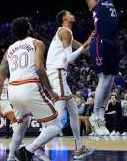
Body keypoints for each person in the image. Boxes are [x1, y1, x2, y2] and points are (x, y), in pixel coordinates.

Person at [0, 17, 61, 161]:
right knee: (55, 126)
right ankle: (28, 150)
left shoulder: (9, 49)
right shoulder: (37, 43)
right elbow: (39, 68)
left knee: (21, 126)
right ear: (29, 29)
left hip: (13, 90)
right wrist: (50, 91)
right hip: (29, 86)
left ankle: (11, 157)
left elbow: (0, 78)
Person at [45, 10, 94, 159]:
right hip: (57, 74)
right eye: (69, 13)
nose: (73, 14)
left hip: (58, 75)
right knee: (58, 117)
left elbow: (84, 51)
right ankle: (37, 146)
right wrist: (87, 41)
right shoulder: (65, 31)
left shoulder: (66, 33)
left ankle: (79, 148)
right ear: (64, 18)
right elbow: (70, 57)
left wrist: (94, 49)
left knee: (73, 112)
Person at [85, 0, 120, 136]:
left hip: (113, 42)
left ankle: (100, 116)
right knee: (104, 78)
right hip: (100, 42)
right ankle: (95, 117)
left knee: (111, 79)